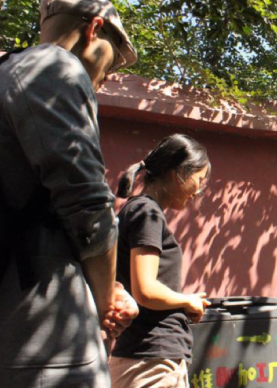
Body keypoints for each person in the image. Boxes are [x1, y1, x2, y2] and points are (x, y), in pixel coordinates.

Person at [0, 0, 138, 387]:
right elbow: (88, 205)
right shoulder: (55, 68)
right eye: (113, 59)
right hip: (43, 329)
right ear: (94, 29)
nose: (106, 77)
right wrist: (107, 300)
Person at [109, 134, 212, 388]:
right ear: (178, 173)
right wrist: (188, 300)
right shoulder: (147, 212)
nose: (198, 191)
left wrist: (183, 303)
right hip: (152, 359)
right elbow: (146, 290)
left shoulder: (137, 210)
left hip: (143, 355)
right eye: (197, 180)